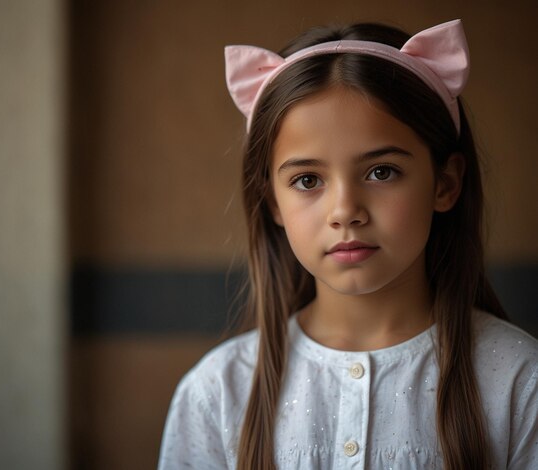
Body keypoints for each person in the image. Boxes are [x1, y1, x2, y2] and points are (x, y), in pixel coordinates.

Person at [157, 19, 537, 469]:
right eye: (307, 180)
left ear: (445, 183)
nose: (345, 210)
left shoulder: (519, 380)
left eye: (381, 172)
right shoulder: (217, 392)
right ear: (272, 202)